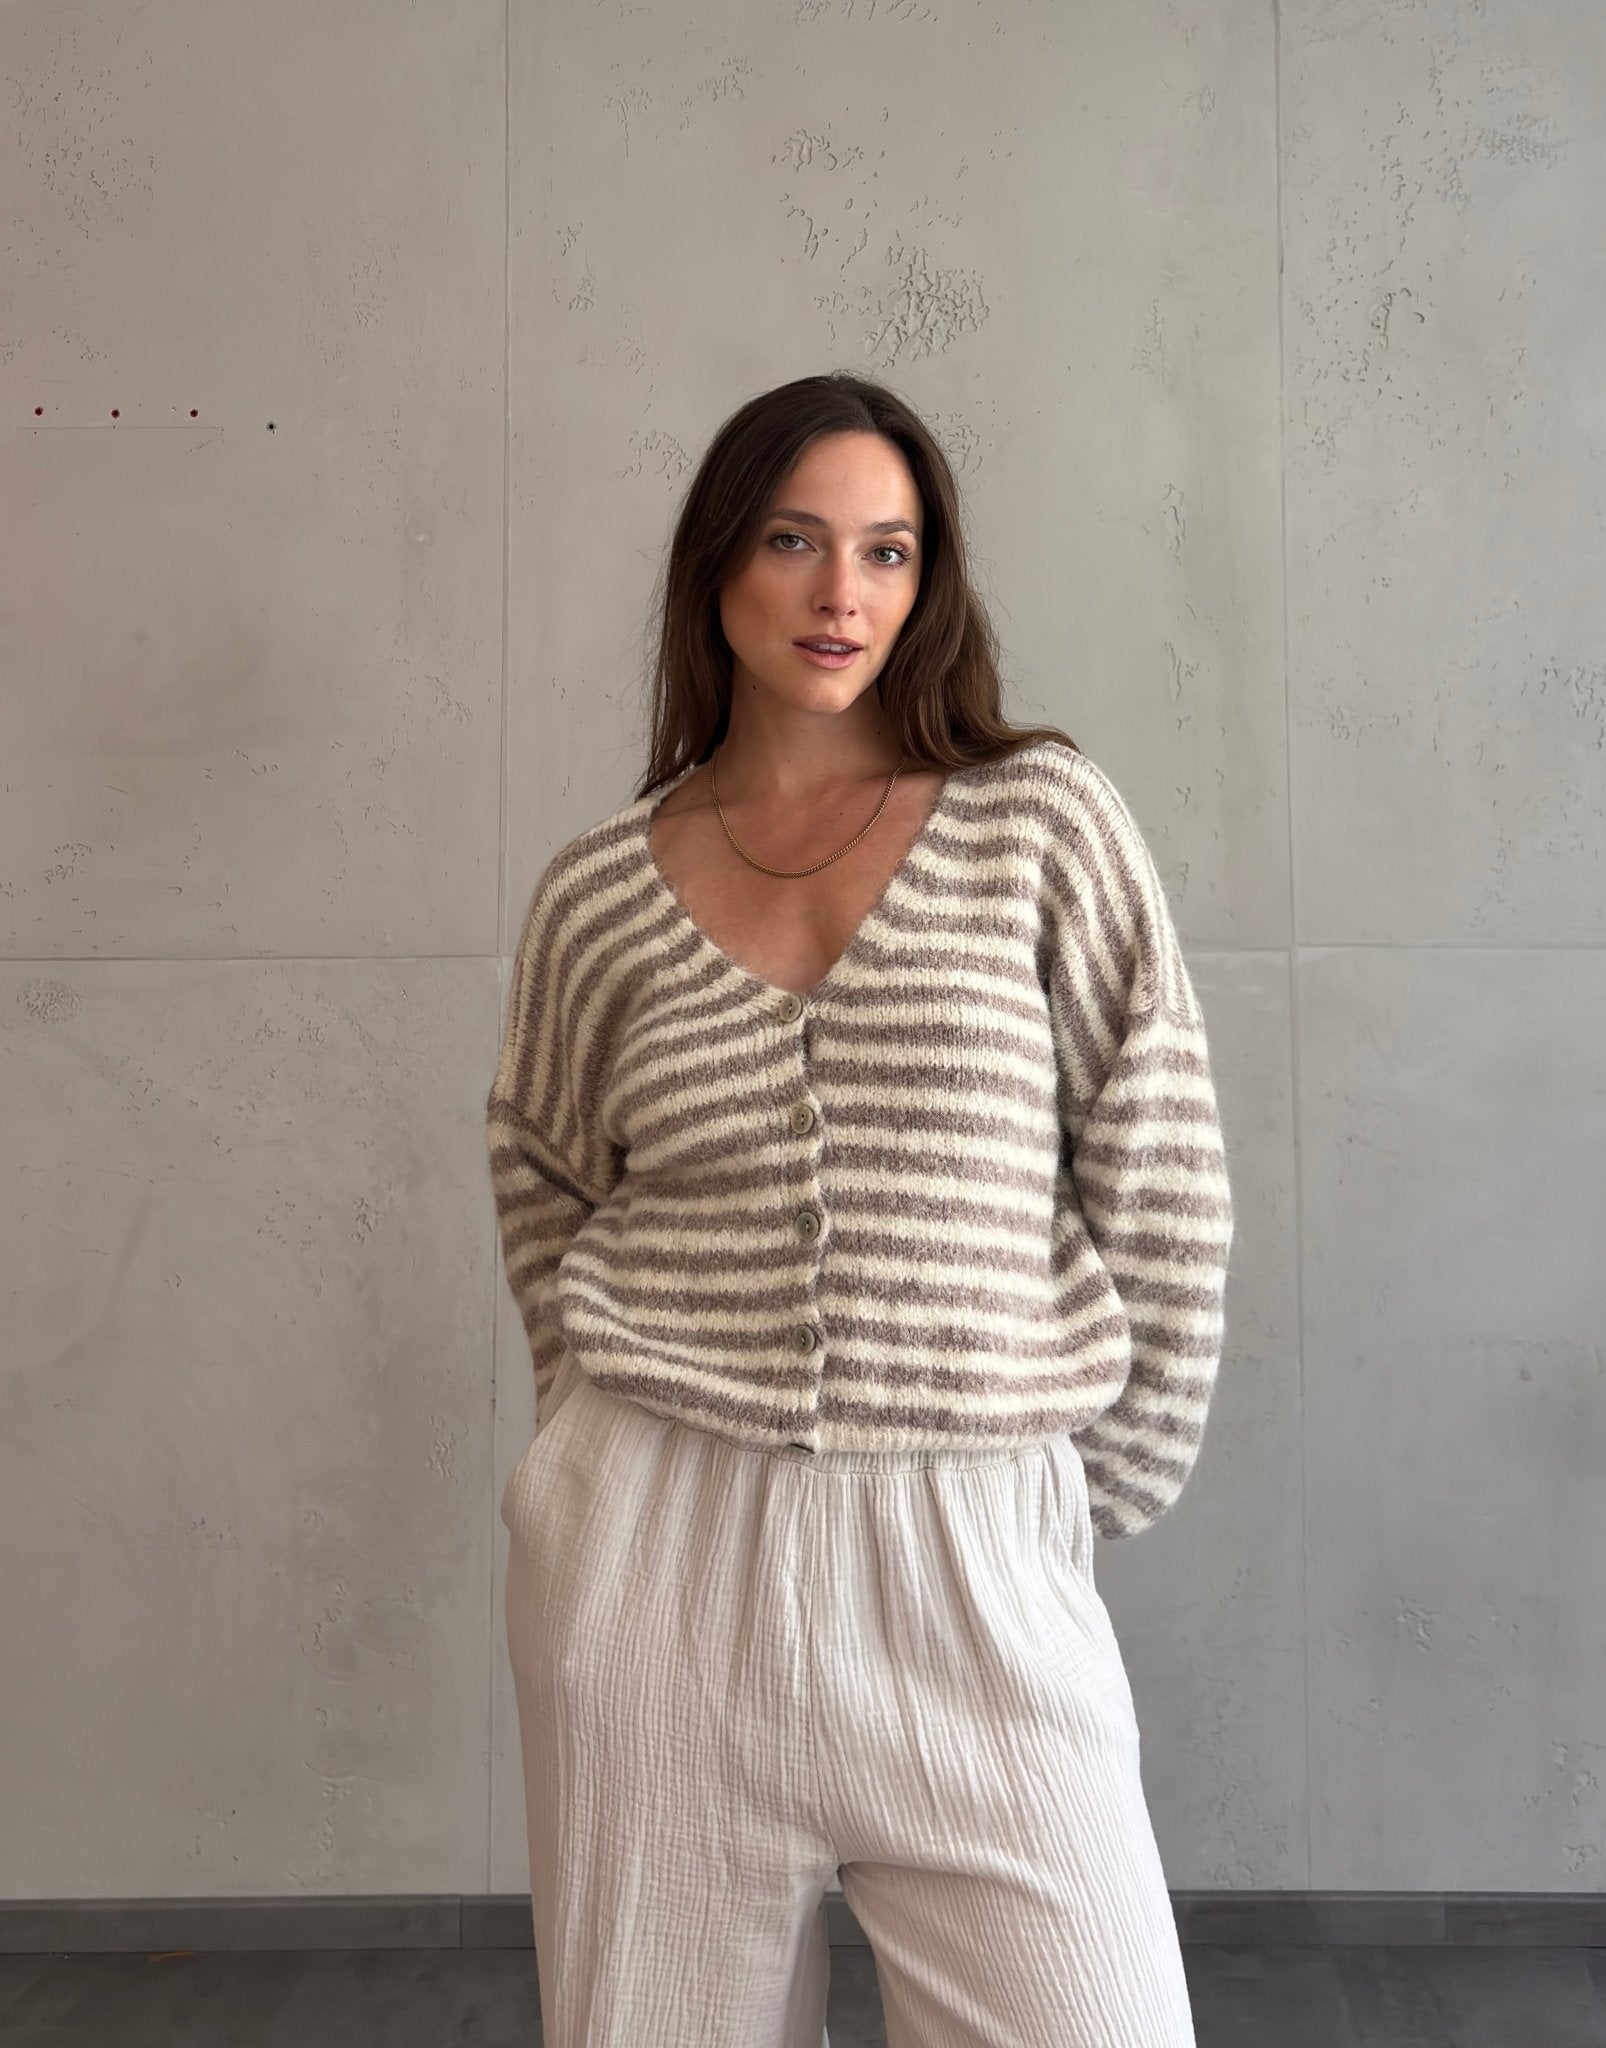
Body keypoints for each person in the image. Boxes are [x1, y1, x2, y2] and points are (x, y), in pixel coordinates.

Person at [487, 371, 1235, 2047]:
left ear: (926, 580)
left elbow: (1159, 1159)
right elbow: (543, 1173)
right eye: (793, 542)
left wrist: (1067, 1494)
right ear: (714, 563)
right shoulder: (597, 894)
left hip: (972, 1552)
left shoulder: (1040, 823)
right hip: (656, 1562)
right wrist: (585, 1455)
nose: (842, 594)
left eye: (887, 552)